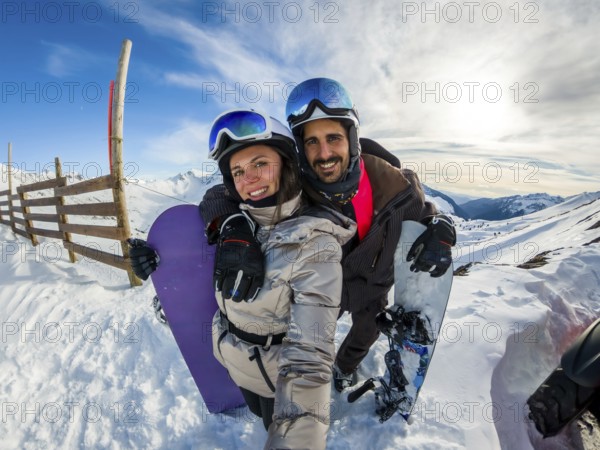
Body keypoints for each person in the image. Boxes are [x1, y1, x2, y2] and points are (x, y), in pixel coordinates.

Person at [198, 78, 457, 393]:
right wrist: (232, 225)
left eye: (333, 137)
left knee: (365, 331)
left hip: (373, 286)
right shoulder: (296, 187)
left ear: (351, 139)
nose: (323, 153)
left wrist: (440, 224)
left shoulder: (396, 189)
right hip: (325, 291)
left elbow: (424, 213)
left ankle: (345, 369)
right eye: (311, 142)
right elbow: (220, 194)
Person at [130, 109, 356, 450]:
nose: (248, 178)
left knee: (271, 421)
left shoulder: (315, 246)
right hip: (234, 365)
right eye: (238, 171)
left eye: (260, 163)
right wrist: (161, 265)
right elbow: (200, 284)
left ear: (287, 165)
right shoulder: (234, 224)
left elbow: (309, 360)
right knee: (254, 410)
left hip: (275, 381)